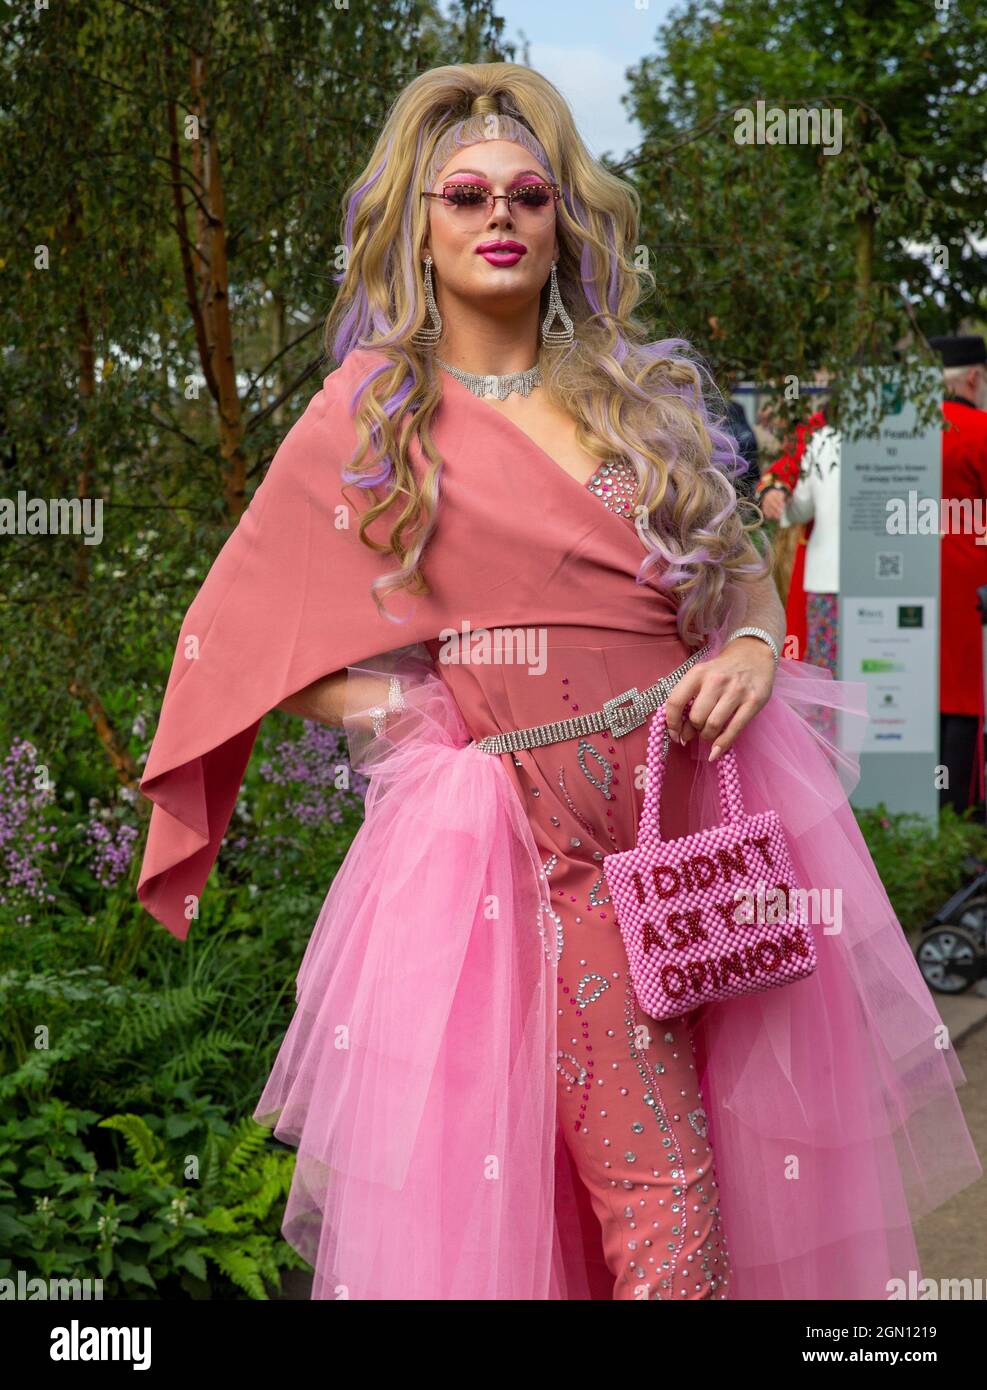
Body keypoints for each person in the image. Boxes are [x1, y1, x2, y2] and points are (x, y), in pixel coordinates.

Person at [135, 63, 981, 1302]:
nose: (499, 215)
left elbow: (740, 577)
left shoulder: (639, 398)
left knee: (755, 1170)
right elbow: (236, 640)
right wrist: (420, 719)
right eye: (465, 193)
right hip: (542, 854)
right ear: (416, 226)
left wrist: (750, 646)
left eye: (528, 194)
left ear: (560, 217)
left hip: (713, 827)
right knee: (665, 1193)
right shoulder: (372, 414)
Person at [928, 333, 987, 814]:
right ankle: (960, 812)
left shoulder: (903, 430)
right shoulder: (981, 430)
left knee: (919, 689)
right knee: (966, 696)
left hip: (907, 581)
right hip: (969, 585)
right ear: (973, 377)